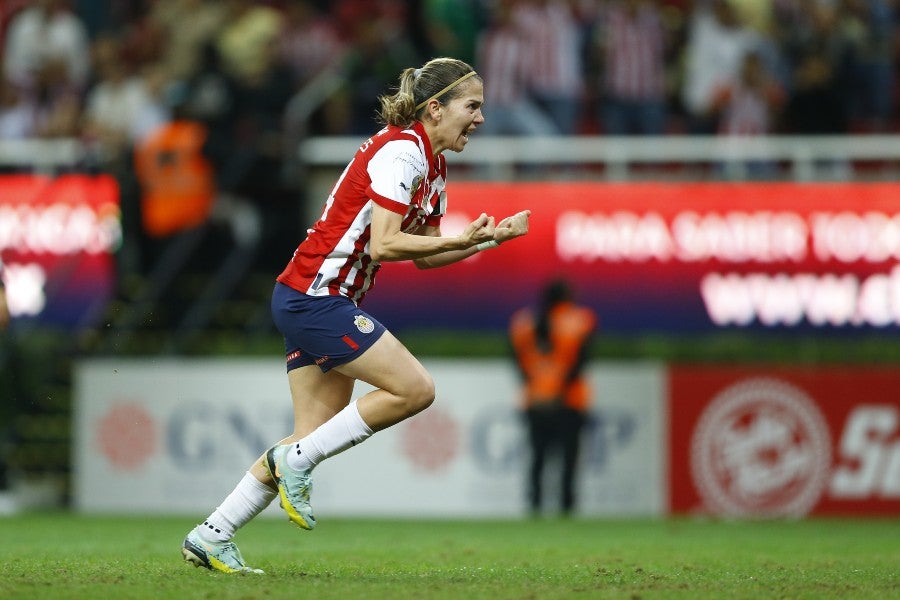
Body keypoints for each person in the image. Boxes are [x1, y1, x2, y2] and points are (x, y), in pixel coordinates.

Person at [181, 56, 531, 574]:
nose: (480, 118)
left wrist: (484, 240)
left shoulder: (432, 164)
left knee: (307, 436)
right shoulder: (402, 153)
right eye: (471, 106)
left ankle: (213, 533)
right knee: (415, 390)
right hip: (317, 297)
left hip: (309, 296)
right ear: (435, 108)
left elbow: (430, 254)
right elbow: (387, 245)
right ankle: (294, 464)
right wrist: (462, 237)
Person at [509, 279, 596, 517]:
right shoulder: (580, 320)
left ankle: (535, 506)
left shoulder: (523, 322)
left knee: (537, 457)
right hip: (570, 400)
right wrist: (559, 390)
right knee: (569, 458)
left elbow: (518, 361)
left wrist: (538, 388)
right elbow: (582, 361)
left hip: (536, 399)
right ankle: (567, 508)